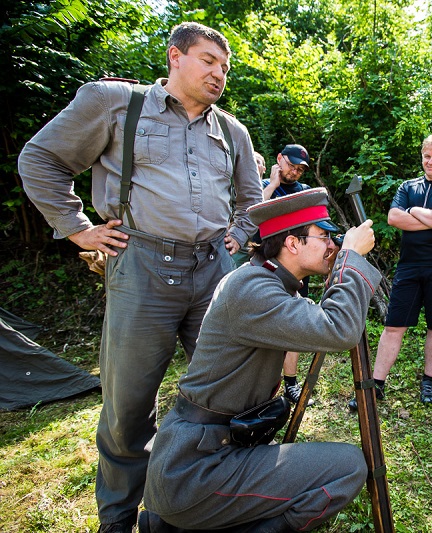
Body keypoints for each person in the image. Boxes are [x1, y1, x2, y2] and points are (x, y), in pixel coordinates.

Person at [17, 22, 262, 532]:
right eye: (208, 61)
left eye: (225, 67)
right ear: (175, 57)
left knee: (228, 392)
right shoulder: (116, 104)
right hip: (143, 266)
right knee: (128, 406)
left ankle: (204, 503)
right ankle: (119, 520)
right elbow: (40, 158)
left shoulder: (233, 130)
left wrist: (239, 233)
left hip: (214, 270)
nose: (219, 74)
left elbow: (252, 199)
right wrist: (77, 228)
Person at [139, 188, 380, 531]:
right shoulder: (254, 290)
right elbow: (337, 329)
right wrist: (351, 257)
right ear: (293, 244)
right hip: (195, 471)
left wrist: (341, 268)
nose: (332, 245)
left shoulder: (262, 280)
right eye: (324, 236)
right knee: (348, 467)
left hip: (210, 454)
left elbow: (322, 321)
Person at [348, 134, 432, 409]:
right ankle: (376, 385)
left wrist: (413, 212)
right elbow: (393, 218)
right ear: (422, 157)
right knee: (393, 325)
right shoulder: (407, 186)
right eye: (427, 156)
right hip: (410, 265)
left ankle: (428, 381)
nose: (431, 161)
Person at [261, 144, 315, 405]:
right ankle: (263, 383)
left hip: (296, 267)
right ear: (279, 159)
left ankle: (291, 383)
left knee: (293, 324)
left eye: (300, 169)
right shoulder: (262, 186)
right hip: (265, 267)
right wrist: (271, 186)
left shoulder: (305, 193)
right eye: (291, 164)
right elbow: (252, 218)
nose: (295, 171)